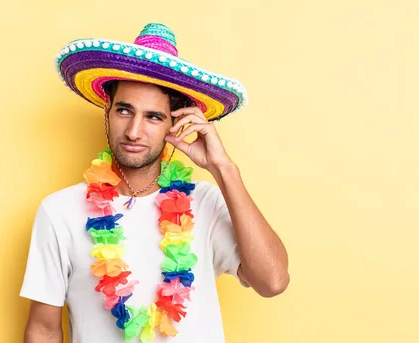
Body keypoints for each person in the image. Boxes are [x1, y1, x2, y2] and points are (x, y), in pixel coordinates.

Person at [20, 23, 289, 343]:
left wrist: (222, 167)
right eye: (124, 110)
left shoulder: (205, 202)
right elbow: (44, 329)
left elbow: (272, 281)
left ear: (175, 123)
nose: (134, 131)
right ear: (107, 111)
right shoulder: (59, 211)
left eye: (153, 117)